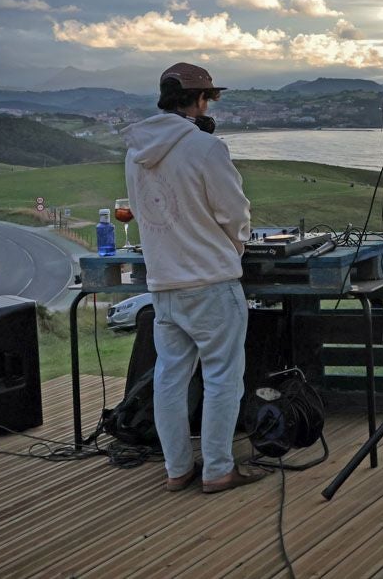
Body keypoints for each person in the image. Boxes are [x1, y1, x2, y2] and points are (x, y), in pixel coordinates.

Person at [124, 62, 259, 494]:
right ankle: (218, 468)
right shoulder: (206, 148)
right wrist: (234, 246)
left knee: (169, 378)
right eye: (208, 99)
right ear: (199, 102)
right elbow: (234, 213)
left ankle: (176, 468)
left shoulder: (135, 151)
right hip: (210, 281)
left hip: (164, 283)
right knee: (222, 377)